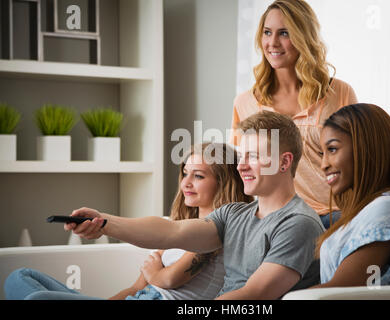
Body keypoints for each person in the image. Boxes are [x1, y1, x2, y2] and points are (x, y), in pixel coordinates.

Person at [64, 111, 324, 299]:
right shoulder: (234, 214)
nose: (241, 165)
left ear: (284, 162)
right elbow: (172, 232)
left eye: (253, 156)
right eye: (242, 156)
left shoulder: (297, 223)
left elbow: (255, 295)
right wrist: (104, 223)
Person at [4, 143, 252, 300]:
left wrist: (155, 271)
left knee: (38, 300)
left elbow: (168, 280)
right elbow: (135, 288)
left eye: (198, 176)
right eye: (184, 173)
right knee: (19, 277)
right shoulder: (177, 228)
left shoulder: (217, 234)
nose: (185, 183)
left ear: (224, 182)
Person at [230, 0, 358, 229]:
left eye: (284, 33)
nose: (272, 43)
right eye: (267, 33)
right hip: (277, 219)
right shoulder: (245, 103)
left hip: (334, 216)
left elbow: (358, 163)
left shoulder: (339, 93)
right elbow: (242, 172)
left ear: (303, 37)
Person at [313, 103, 390, 287]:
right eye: (322, 153)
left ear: (366, 147)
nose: (323, 164)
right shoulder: (366, 212)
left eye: (333, 149)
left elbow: (342, 288)